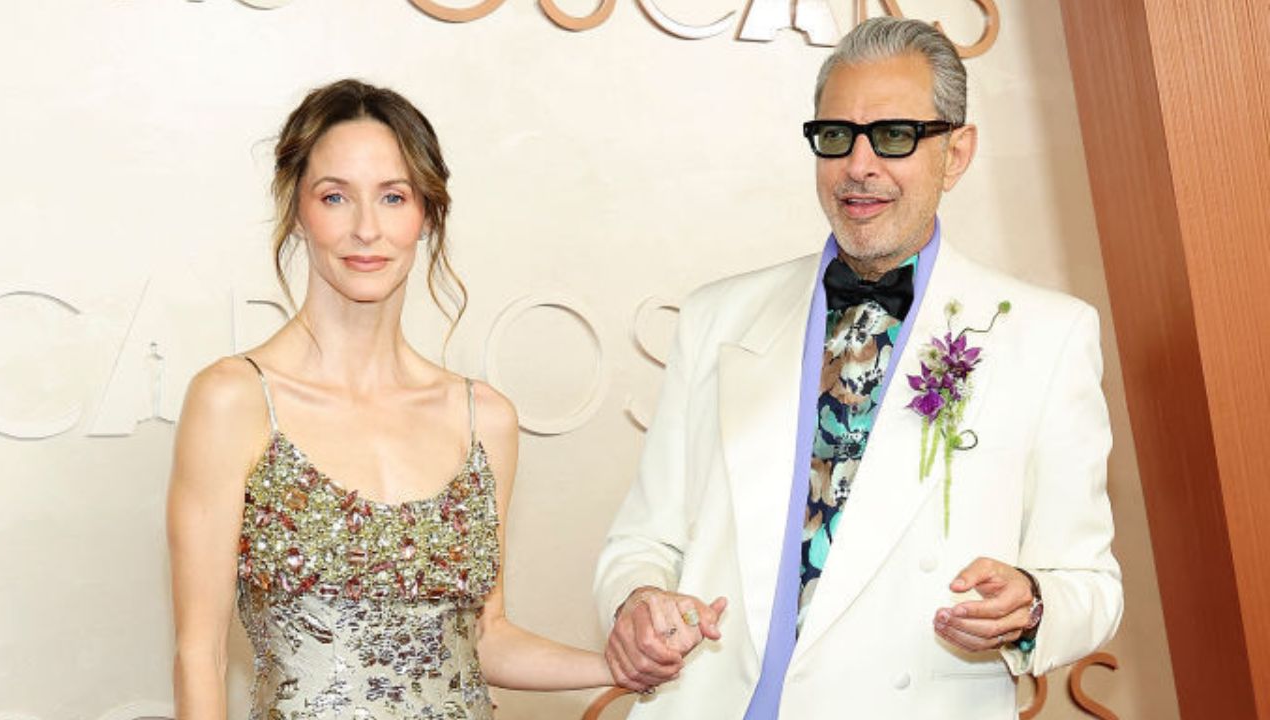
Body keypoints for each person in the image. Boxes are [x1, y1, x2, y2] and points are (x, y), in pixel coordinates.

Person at [594, 17, 1123, 719]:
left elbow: (1091, 584)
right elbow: (643, 538)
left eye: (896, 136)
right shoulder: (717, 316)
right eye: (837, 136)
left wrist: (1030, 603)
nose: (860, 165)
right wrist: (636, 599)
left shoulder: (1047, 335)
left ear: (956, 154)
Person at [167, 79, 613, 718]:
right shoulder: (234, 400)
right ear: (296, 208)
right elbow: (199, 654)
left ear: (427, 214)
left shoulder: (484, 418)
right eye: (335, 196)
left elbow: (485, 637)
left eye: (393, 197)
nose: (366, 229)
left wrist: (616, 664)